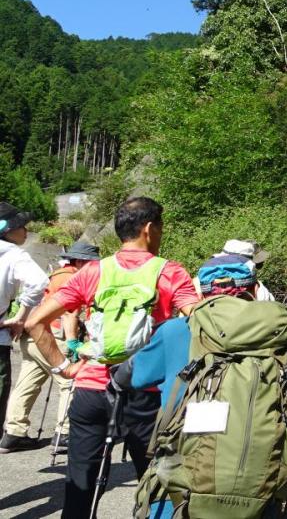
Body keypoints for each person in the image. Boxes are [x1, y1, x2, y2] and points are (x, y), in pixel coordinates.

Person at [112, 254, 287, 518]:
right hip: (256, 499)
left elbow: (130, 376)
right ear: (255, 290)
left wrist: (116, 375)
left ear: (202, 294)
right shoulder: (284, 336)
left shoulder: (175, 331)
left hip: (176, 499)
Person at [25, 196, 200, 519]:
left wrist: (65, 367)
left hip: (92, 390)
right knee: (158, 485)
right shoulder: (170, 272)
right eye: (160, 228)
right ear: (149, 229)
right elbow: (202, 326)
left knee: (80, 486)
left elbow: (34, 322)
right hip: (147, 395)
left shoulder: (93, 271)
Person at [0, 241, 99, 454]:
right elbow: (69, 313)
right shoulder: (73, 276)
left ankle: (13, 434)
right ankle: (64, 434)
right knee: (69, 380)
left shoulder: (56, 274)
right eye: (91, 263)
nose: (94, 268)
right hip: (51, 334)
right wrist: (72, 342)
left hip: (31, 336)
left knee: (28, 381)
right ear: (81, 261)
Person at [0, 202, 48, 438]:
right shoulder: (13, 255)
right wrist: (21, 316)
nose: (26, 231)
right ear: (7, 230)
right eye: (21, 226)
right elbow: (39, 282)